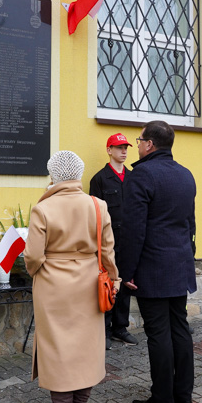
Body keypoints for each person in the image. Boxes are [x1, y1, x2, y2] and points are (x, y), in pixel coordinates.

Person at [24, 150, 120, 403]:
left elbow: (33, 256)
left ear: (53, 175)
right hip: (89, 284)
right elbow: (107, 251)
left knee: (57, 350)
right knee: (85, 350)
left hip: (53, 287)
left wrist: (39, 271)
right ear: (78, 175)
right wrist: (113, 279)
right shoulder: (97, 205)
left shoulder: (43, 208)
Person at [118, 120, 197, 403]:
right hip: (179, 263)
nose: (136, 145)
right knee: (180, 328)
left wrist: (128, 272)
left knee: (159, 333)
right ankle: (184, 398)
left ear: (149, 144)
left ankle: (162, 401)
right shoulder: (185, 175)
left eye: (138, 140)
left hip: (151, 267)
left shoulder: (142, 176)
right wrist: (189, 256)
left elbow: (134, 230)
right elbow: (190, 224)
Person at [89, 133, 138, 350]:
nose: (124, 151)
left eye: (126, 147)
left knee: (125, 284)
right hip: (108, 241)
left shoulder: (133, 178)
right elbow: (94, 215)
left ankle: (121, 327)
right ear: (109, 150)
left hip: (129, 240)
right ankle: (105, 330)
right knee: (107, 284)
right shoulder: (99, 179)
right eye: (119, 147)